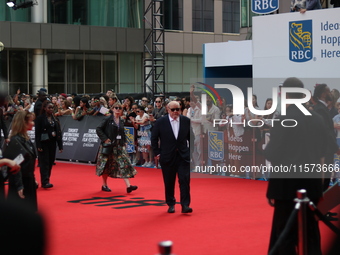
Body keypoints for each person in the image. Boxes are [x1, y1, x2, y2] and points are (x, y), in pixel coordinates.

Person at [265, 77, 328, 255]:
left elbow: (272, 154)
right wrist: (320, 187)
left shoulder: (284, 119)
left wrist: (272, 191)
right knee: (312, 235)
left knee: (284, 237)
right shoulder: (318, 119)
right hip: (312, 188)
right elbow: (323, 154)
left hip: (286, 189)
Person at [151, 101, 193, 213]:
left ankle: (185, 205)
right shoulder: (160, 122)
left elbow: (191, 138)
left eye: (177, 109)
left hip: (183, 156)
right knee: (169, 181)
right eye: (173, 109)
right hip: (167, 157)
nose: (175, 112)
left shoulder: (186, 121)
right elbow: (154, 138)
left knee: (184, 180)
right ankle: (170, 203)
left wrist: (190, 153)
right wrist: (157, 153)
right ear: (167, 109)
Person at [96, 102, 138, 193]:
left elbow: (122, 133)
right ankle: (104, 185)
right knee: (106, 165)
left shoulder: (122, 120)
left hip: (119, 146)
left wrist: (125, 142)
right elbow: (98, 129)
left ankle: (129, 186)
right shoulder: (107, 119)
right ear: (112, 109)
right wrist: (105, 139)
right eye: (116, 108)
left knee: (125, 163)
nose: (118, 109)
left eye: (119, 108)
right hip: (109, 146)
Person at [4, 110, 38, 212]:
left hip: (29, 179)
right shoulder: (15, 141)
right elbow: (15, 166)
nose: (33, 123)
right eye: (31, 121)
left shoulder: (27, 139)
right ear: (23, 122)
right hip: (20, 181)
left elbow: (29, 161)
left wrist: (33, 178)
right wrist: (19, 186)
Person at [313, 84, 338, 190]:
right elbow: (327, 131)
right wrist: (335, 148)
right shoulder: (320, 109)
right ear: (323, 94)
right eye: (328, 91)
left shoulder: (322, 108)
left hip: (325, 148)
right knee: (324, 177)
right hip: (325, 149)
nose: (330, 94)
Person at [35, 101, 63, 189]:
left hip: (52, 143)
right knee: (44, 162)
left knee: (50, 162)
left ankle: (47, 179)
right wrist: (38, 145)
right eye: (49, 108)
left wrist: (60, 145)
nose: (51, 109)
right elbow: (37, 133)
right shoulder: (40, 118)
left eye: (52, 108)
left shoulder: (55, 118)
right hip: (43, 143)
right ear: (44, 108)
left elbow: (58, 132)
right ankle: (45, 181)